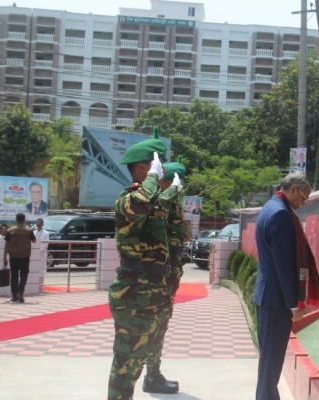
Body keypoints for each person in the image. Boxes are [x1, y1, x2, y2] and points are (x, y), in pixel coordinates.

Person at [107, 129, 180, 400]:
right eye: (156, 166)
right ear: (142, 168)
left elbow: (164, 211)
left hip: (151, 292)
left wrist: (172, 189)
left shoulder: (152, 202)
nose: (160, 172)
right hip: (133, 293)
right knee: (126, 363)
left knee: (137, 361)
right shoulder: (129, 199)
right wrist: (152, 179)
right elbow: (141, 204)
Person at [252, 171, 319, 400]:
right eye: (303, 197)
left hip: (268, 295)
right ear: (292, 189)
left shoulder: (270, 207)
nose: (303, 204)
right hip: (276, 299)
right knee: (271, 361)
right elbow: (284, 265)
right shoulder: (282, 215)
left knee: (269, 360)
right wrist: (295, 303)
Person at [144, 156, 185, 395]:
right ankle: (151, 376)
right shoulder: (159, 202)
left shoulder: (170, 203)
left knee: (160, 327)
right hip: (158, 277)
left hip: (169, 276)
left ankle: (153, 374)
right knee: (155, 329)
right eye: (173, 184)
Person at [3, 213, 36, 303]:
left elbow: (7, 245)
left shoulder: (10, 230)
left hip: (13, 255)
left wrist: (4, 257)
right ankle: (20, 292)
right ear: (24, 220)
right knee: (24, 275)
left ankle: (14, 296)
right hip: (24, 255)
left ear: (16, 219)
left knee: (14, 275)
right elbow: (34, 240)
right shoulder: (28, 230)